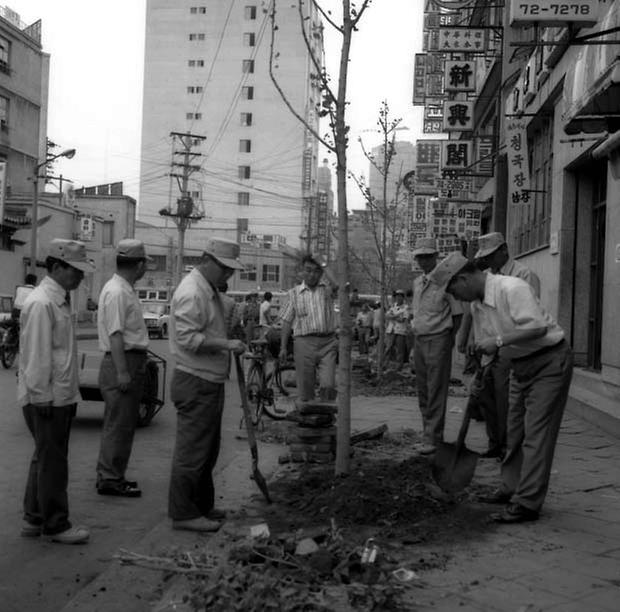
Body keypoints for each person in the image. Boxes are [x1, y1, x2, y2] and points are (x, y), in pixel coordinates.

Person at [436, 252, 573, 523]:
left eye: (454, 291)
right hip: (518, 365)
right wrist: (480, 376)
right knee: (514, 433)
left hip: (549, 363)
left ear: (463, 279)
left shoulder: (512, 287)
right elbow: (488, 348)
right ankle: (510, 488)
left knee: (537, 435)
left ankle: (527, 503)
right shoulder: (477, 304)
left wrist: (498, 342)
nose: (457, 299)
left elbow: (537, 329)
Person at [18, 239, 94, 544]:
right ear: (56, 267)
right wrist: (41, 397)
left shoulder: (59, 300)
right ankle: (56, 524)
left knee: (44, 456)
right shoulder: (42, 303)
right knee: (53, 461)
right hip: (46, 395)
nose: (79, 277)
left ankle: (33, 518)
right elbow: (36, 356)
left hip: (56, 393)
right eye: (74, 270)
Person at [168, 237, 246, 533]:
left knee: (207, 450)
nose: (228, 275)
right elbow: (189, 338)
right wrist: (226, 344)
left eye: (231, 270)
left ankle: (202, 505)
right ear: (207, 260)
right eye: (224, 269)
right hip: (195, 379)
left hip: (208, 380)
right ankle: (184, 512)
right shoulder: (192, 291)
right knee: (192, 452)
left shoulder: (208, 289)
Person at [458, 232, 541, 459]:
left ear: (504, 250)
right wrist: (472, 338)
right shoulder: (484, 277)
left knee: (507, 400)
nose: (488, 261)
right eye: (484, 257)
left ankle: (509, 446)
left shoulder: (523, 275)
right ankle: (494, 442)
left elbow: (529, 317)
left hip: (510, 346)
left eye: (491, 255)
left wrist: (502, 341)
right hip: (486, 346)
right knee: (486, 398)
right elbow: (476, 311)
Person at [95, 239, 151, 497]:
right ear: (138, 265)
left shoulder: (122, 288)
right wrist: (122, 372)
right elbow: (116, 334)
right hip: (123, 360)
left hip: (128, 359)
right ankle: (110, 478)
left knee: (121, 423)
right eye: (145, 264)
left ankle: (112, 475)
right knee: (119, 424)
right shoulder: (118, 291)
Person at [411, 238, 463, 454]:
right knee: (423, 391)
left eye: (427, 256)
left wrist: (449, 340)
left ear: (436, 257)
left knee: (436, 391)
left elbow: (458, 314)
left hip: (439, 338)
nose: (423, 261)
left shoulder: (446, 282)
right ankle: (427, 435)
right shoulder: (417, 283)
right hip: (420, 340)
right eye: (420, 257)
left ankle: (434, 438)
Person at [279, 255, 338, 402]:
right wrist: (283, 347)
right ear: (302, 271)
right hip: (303, 343)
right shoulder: (293, 294)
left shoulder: (327, 290)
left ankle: (326, 414)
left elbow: (338, 285)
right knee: (305, 388)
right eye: (308, 270)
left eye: (316, 271)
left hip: (328, 343)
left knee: (328, 384)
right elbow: (287, 321)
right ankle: (309, 417)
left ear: (321, 273)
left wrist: (323, 263)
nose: (312, 274)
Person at [383, 289, 410, 369]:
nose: (398, 298)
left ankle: (398, 367)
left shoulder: (406, 308)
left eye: (400, 296)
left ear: (403, 298)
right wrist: (396, 316)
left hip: (400, 331)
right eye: (397, 296)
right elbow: (387, 316)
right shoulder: (393, 306)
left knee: (400, 350)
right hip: (391, 330)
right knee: (388, 348)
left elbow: (403, 319)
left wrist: (393, 317)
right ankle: (384, 364)